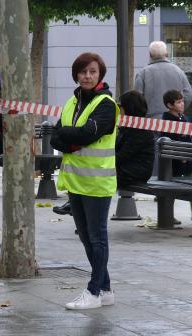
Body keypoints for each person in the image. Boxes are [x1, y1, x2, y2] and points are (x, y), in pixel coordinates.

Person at [51, 52, 119, 310]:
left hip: (97, 183)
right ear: (76, 75)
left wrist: (69, 136)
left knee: (97, 237)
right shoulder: (73, 101)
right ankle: (106, 289)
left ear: (100, 74)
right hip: (76, 181)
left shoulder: (106, 104)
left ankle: (93, 291)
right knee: (86, 238)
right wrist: (72, 137)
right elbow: (55, 136)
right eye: (83, 72)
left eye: (92, 71)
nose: (87, 76)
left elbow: (87, 134)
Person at [52, 90, 154, 216]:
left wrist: (101, 164)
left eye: (120, 106)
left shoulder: (140, 130)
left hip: (136, 170)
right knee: (92, 174)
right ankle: (79, 209)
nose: (117, 108)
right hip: (124, 167)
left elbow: (123, 155)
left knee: (98, 177)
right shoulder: (128, 126)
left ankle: (82, 212)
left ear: (128, 108)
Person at [161, 90, 192, 220]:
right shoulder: (168, 120)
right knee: (171, 188)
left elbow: (188, 138)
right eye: (179, 102)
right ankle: (168, 214)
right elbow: (168, 141)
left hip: (188, 159)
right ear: (170, 105)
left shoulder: (182, 117)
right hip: (175, 162)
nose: (182, 104)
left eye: (182, 101)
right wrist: (180, 155)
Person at [134, 41, 192, 119]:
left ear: (150, 55)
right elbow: (189, 94)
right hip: (174, 119)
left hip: (151, 121)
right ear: (166, 54)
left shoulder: (143, 73)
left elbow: (137, 99)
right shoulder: (178, 71)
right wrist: (178, 108)